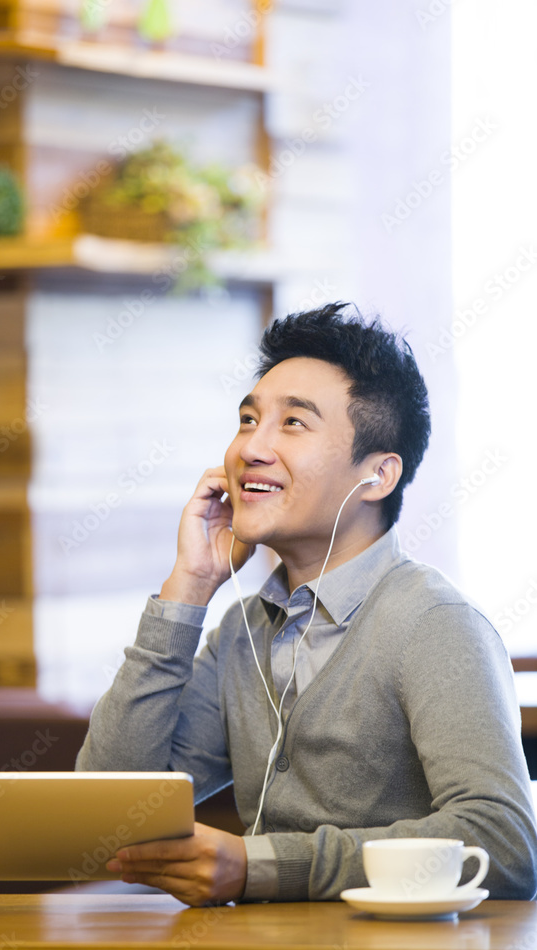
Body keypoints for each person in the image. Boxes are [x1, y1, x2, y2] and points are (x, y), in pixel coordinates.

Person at [76, 302, 537, 906]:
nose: (250, 449)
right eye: (247, 419)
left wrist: (262, 865)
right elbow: (109, 814)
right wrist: (188, 585)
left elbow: (502, 843)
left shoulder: (433, 623)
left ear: (377, 476)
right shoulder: (243, 633)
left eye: (293, 424)